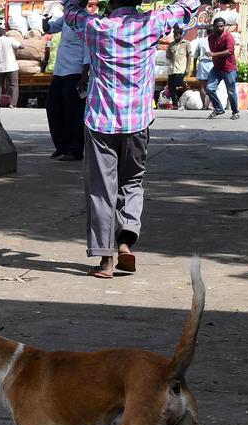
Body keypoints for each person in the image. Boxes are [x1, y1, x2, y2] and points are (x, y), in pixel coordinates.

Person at [64, 0, 203, 279]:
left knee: (101, 190)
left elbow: (70, 11)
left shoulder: (96, 26)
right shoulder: (151, 23)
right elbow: (188, 5)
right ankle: (125, 242)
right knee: (132, 182)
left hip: (100, 121)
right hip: (137, 121)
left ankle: (105, 261)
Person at [45, 13, 90, 160]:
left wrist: (85, 74)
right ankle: (62, 146)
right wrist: (45, 23)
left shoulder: (85, 20)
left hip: (75, 72)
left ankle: (75, 150)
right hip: (59, 71)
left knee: (74, 113)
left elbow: (88, 48)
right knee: (54, 108)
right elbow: (51, 28)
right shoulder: (66, 18)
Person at [205, 17, 239, 119]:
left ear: (224, 26)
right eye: (217, 26)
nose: (220, 28)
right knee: (209, 88)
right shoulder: (210, 37)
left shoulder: (228, 36)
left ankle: (235, 112)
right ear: (214, 27)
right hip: (217, 68)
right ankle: (219, 109)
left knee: (231, 91)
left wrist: (214, 54)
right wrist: (213, 55)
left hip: (228, 69)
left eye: (221, 26)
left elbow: (229, 51)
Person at [0, 28, 22, 107]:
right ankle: (13, 104)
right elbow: (21, 46)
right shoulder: (10, 40)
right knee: (13, 84)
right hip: (12, 66)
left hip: (0, 67)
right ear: (4, 33)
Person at [165, 26, 190, 108]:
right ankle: (175, 104)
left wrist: (187, 68)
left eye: (177, 34)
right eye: (174, 34)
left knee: (179, 83)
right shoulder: (171, 44)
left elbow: (189, 56)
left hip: (181, 69)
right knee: (171, 87)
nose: (175, 35)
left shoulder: (186, 43)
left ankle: (180, 101)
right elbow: (167, 55)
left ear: (181, 35)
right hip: (172, 69)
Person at [190, 31, 213, 109]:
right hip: (212, 64)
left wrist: (194, 67)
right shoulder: (216, 40)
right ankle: (210, 105)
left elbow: (195, 56)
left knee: (202, 86)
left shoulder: (201, 42)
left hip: (202, 63)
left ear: (206, 32)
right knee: (212, 86)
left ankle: (203, 105)